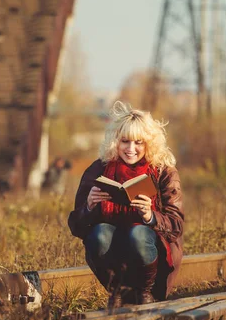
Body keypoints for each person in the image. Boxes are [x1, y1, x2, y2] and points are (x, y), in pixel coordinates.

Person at [68, 101, 184, 308]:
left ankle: (144, 292)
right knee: (99, 234)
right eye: (125, 141)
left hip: (149, 246)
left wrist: (151, 216)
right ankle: (117, 291)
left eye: (139, 142)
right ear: (116, 142)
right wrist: (88, 207)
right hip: (115, 245)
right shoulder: (98, 169)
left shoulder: (164, 172)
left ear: (149, 143)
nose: (131, 149)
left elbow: (176, 225)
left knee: (137, 234)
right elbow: (76, 226)